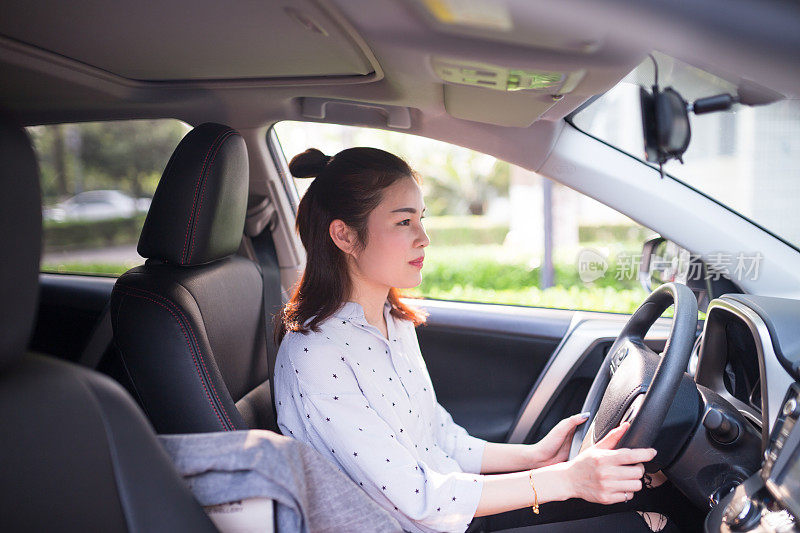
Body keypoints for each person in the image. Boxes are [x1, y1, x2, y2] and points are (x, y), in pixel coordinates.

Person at [273, 147, 675, 533]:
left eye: (422, 219)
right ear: (344, 235)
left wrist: (534, 457)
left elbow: (439, 439)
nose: (424, 237)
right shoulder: (317, 352)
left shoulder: (392, 320)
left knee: (651, 493)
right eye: (403, 222)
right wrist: (565, 480)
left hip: (453, 516)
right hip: (421, 523)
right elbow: (419, 500)